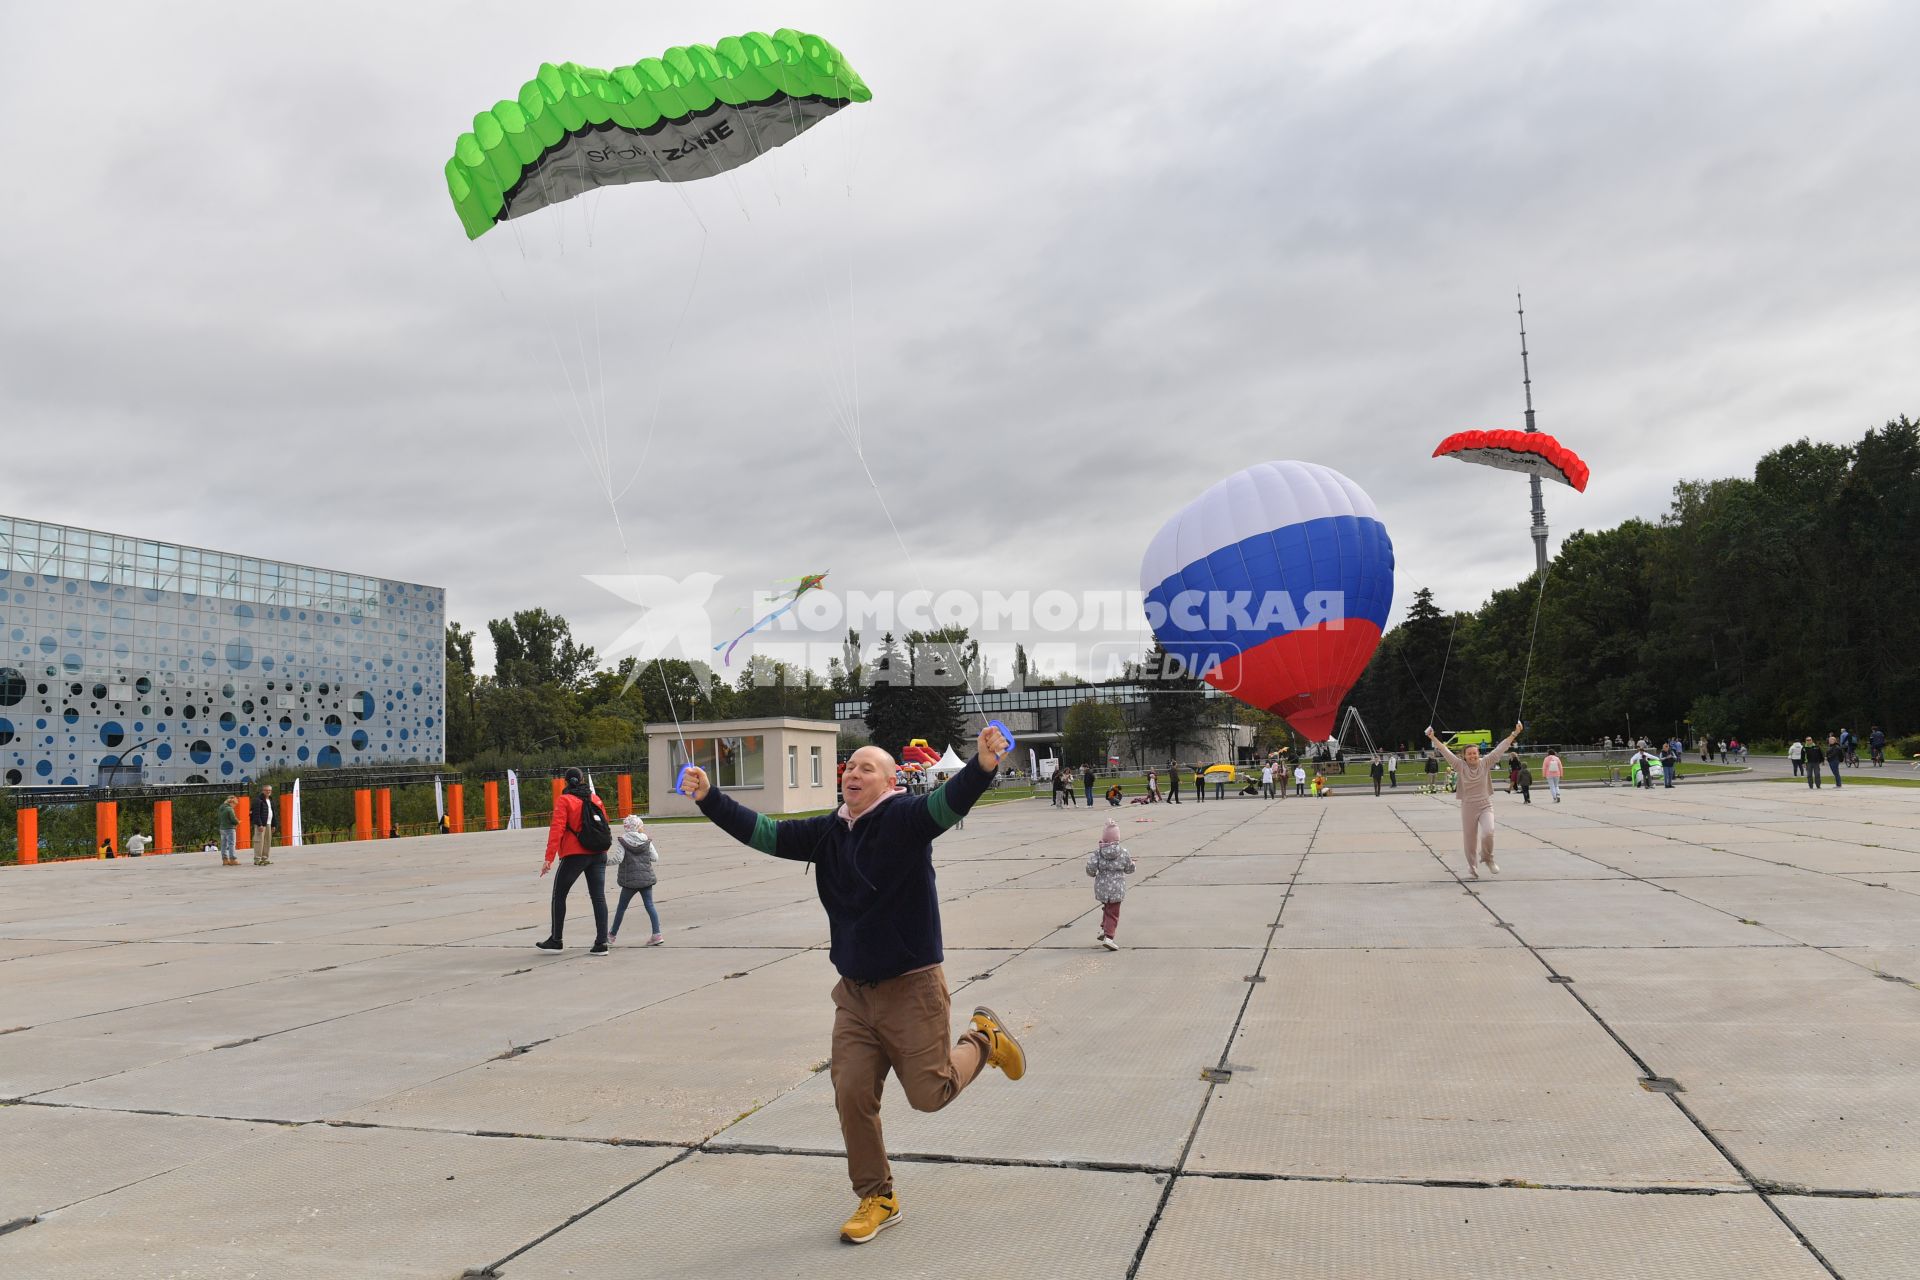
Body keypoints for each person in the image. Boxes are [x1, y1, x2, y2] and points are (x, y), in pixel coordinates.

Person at [684, 726, 1025, 1245]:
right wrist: (710, 797)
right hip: (855, 995)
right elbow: (765, 833)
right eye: (849, 766)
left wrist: (980, 766)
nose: (853, 772)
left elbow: (949, 803)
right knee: (850, 1092)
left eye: (867, 767)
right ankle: (877, 1196)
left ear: (890, 782)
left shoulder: (905, 819)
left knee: (929, 1095)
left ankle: (983, 1040)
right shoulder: (828, 833)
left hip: (912, 989)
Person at [1427, 722, 1523, 878]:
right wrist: (1432, 737)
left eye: (1475, 753)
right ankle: (1472, 868)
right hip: (1468, 807)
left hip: (1485, 805)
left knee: (1488, 832)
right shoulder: (1459, 765)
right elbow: (1444, 750)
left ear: (1479, 753)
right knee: (1470, 840)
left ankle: (1488, 858)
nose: (1472, 755)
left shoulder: (1485, 762)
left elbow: (1501, 748)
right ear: (1464, 756)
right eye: (1469, 753)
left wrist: (1515, 734)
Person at [537, 767, 612, 955]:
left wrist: (549, 858)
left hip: (575, 854)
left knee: (559, 895)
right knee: (598, 897)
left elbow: (557, 829)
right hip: (598, 852)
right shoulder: (595, 798)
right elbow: (606, 823)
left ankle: (556, 939)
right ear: (581, 780)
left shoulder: (564, 800)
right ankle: (601, 943)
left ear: (565, 782)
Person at [610, 815, 663, 945]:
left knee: (621, 908)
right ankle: (657, 934)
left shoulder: (623, 841)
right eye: (641, 826)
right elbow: (655, 857)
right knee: (650, 905)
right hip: (646, 880)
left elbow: (618, 859)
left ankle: (611, 936)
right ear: (638, 827)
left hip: (629, 881)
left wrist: (604, 862)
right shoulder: (646, 840)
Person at [1085, 817, 1135, 951]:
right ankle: (1109, 937)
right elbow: (1129, 868)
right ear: (1117, 839)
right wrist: (1133, 865)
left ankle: (1104, 929)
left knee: (1107, 908)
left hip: (1102, 887)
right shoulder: (1123, 852)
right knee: (1113, 912)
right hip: (1116, 888)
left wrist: (1092, 874)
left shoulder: (1098, 853)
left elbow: (1090, 867)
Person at [251, 783, 274, 866]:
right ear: (263, 791)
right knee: (259, 841)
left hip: (269, 823)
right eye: (266, 790)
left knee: (267, 842)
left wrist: (273, 825)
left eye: (270, 790)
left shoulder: (270, 800)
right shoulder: (258, 800)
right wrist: (259, 824)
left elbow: (273, 812)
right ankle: (257, 859)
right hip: (261, 824)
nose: (268, 792)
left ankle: (265, 858)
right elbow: (256, 814)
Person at [217, 794, 241, 866]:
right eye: (235, 804)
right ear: (232, 802)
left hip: (222, 828)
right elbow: (233, 820)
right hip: (230, 828)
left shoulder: (221, 808)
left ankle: (225, 860)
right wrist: (238, 822)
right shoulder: (230, 809)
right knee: (231, 844)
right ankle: (232, 859)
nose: (235, 806)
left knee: (224, 844)